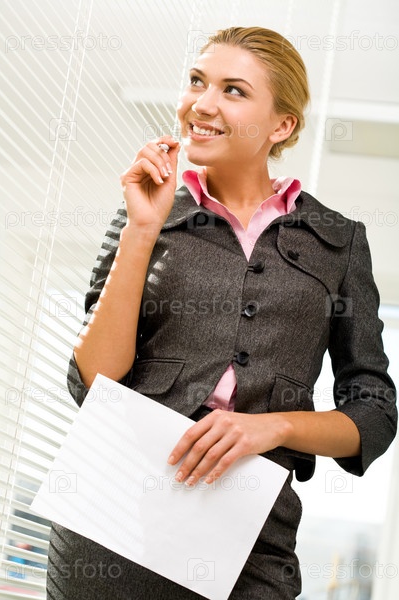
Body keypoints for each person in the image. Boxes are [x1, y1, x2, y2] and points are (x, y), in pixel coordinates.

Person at [47, 26, 397, 600]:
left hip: (252, 531)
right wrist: (141, 229)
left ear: (281, 126)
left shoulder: (339, 242)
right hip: (113, 514)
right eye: (196, 81)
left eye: (233, 90)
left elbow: (375, 413)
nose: (202, 103)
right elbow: (94, 382)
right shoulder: (145, 212)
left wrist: (276, 425)